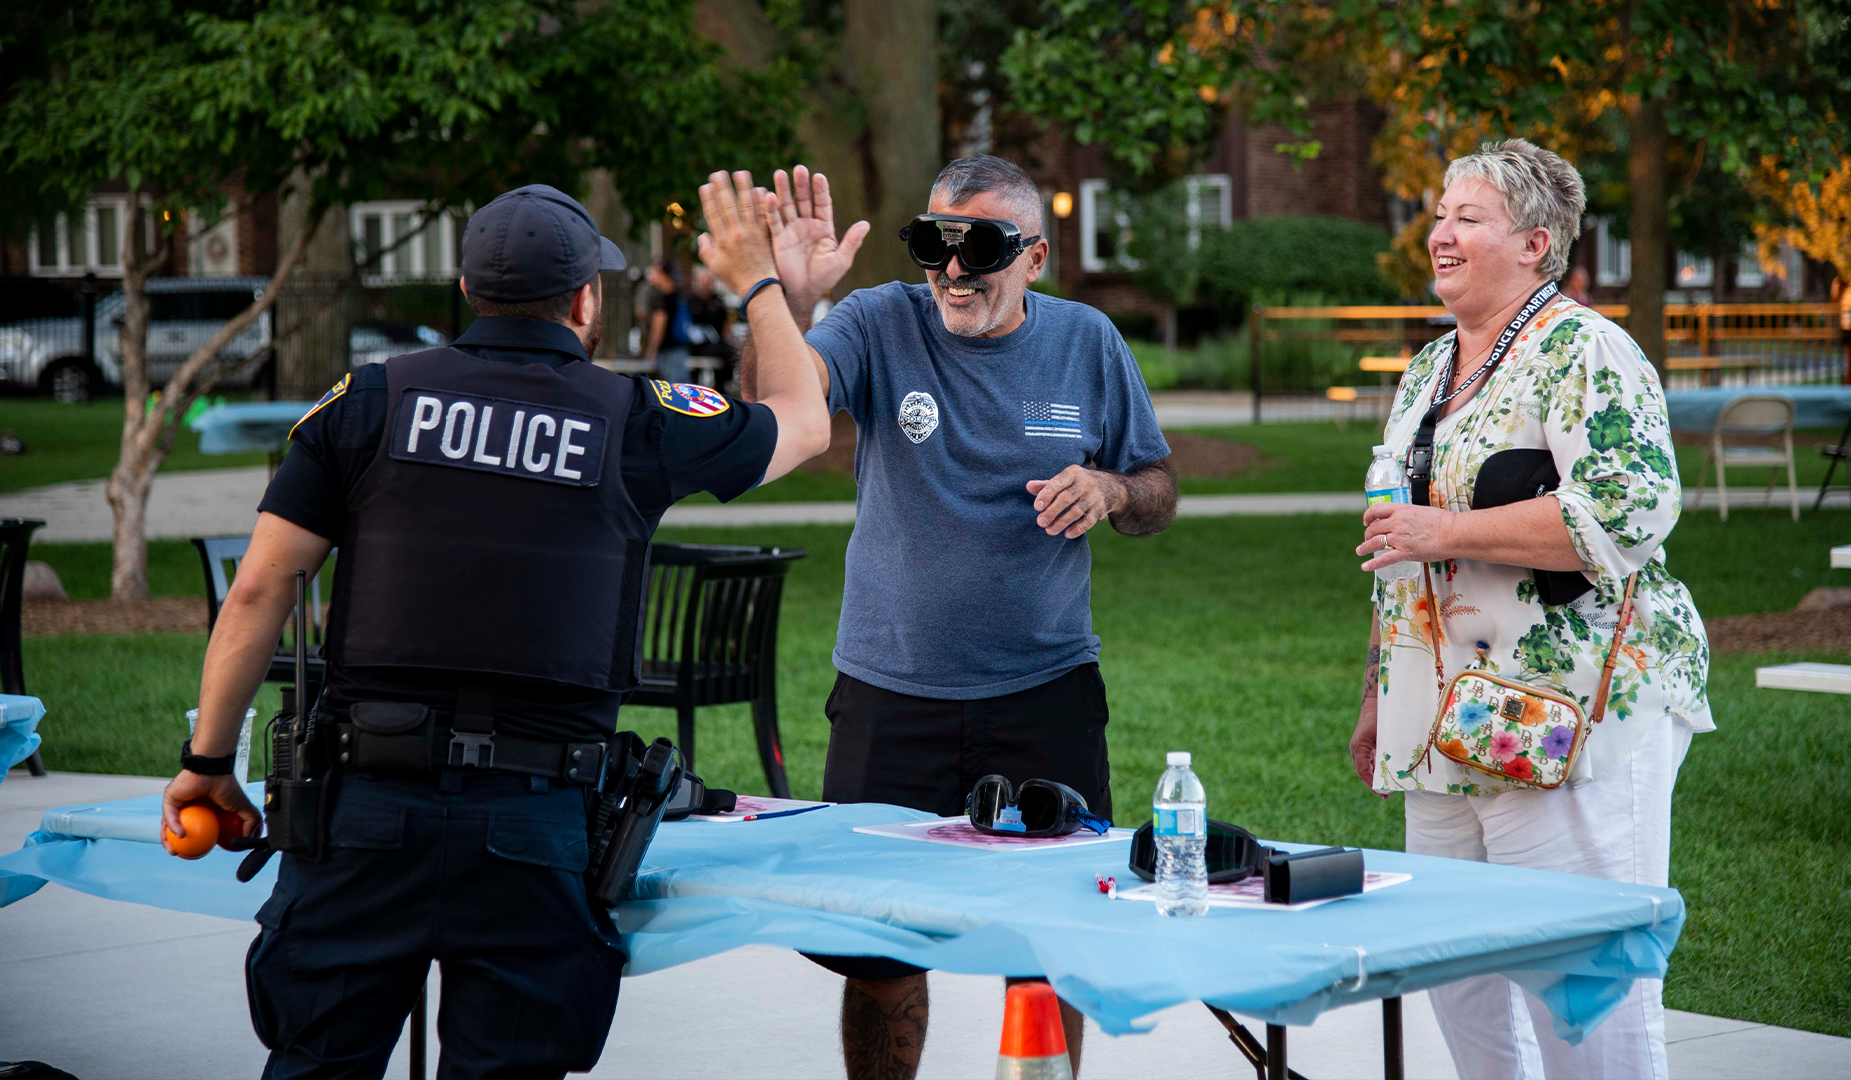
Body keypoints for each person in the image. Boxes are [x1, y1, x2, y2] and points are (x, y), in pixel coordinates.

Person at [160, 175, 829, 1078]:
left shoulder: (366, 402)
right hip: (534, 824)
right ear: (587, 300)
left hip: (362, 814)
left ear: (469, 292)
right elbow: (804, 424)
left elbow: (258, 592)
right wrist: (762, 287)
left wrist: (208, 766)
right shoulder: (638, 421)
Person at [738, 156, 1178, 1080]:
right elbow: (777, 403)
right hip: (892, 692)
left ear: (1035, 256)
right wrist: (782, 299)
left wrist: (1109, 487)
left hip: (1045, 688)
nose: (953, 269)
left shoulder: (1088, 342)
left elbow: (1158, 488)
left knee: (1050, 948)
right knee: (880, 956)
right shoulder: (877, 321)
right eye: (936, 243)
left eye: (980, 246)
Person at [1351, 139, 1713, 1080]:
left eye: (1469, 218)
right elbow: (1399, 541)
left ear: (1536, 243)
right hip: (1441, 720)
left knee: (1583, 990)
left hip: (1574, 716)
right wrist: (1375, 697)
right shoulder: (1429, 365)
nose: (1440, 234)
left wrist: (1448, 529)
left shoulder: (1586, 348)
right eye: (1439, 214)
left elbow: (1631, 508)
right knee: (1458, 977)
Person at [641, 256, 693, 384]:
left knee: (669, 393)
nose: (652, 275)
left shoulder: (663, 300)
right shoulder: (679, 296)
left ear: (664, 274)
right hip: (681, 351)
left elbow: (658, 329)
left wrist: (651, 351)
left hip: (668, 354)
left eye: (656, 272)